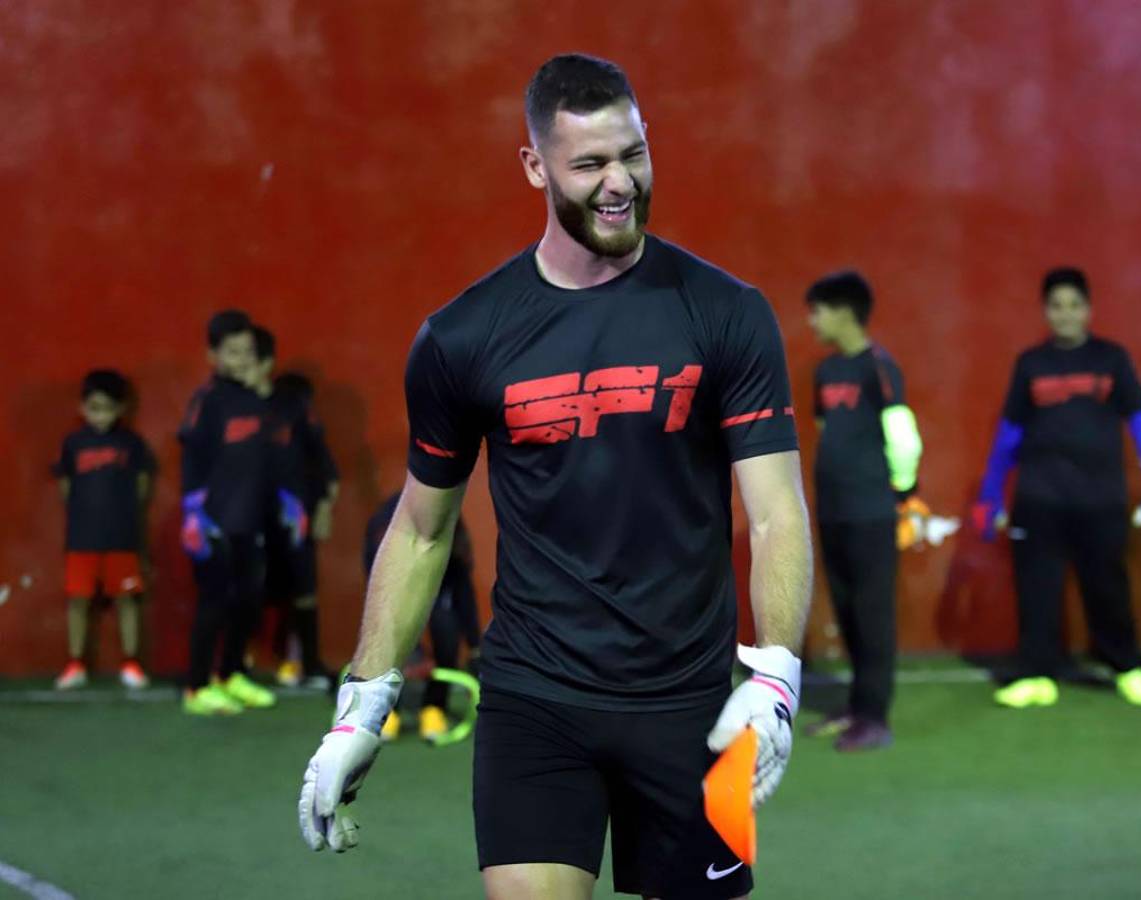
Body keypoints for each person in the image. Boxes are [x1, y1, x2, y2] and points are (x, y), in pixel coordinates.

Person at [299, 54, 812, 900]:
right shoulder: (463, 338)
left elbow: (776, 513)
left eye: (634, 155)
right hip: (534, 700)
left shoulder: (725, 312)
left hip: (690, 703)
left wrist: (777, 676)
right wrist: (364, 701)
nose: (621, 184)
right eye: (590, 164)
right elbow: (422, 529)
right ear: (535, 167)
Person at [972, 267, 1141, 708]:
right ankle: (1037, 675)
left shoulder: (1112, 359)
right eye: (1056, 306)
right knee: (1037, 590)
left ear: (1088, 310)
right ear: (1046, 312)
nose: (1065, 314)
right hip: (1039, 498)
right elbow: (1009, 432)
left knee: (1108, 586)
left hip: (1100, 499)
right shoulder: (1030, 364)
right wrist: (990, 494)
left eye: (1074, 305)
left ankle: (1126, 667)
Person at [804, 271, 923, 752]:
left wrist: (903, 492)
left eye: (817, 310)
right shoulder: (826, 373)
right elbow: (825, 429)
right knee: (850, 612)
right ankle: (856, 705)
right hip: (834, 512)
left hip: (872, 513)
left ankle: (875, 716)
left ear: (844, 313)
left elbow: (903, 436)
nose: (812, 320)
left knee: (873, 616)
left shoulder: (880, 367)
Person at [178, 310, 302, 715]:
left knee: (248, 600)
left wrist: (286, 501)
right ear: (212, 355)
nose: (242, 359)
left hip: (251, 519)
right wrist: (193, 513)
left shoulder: (256, 401)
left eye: (248, 351)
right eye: (232, 352)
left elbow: (266, 458)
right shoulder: (208, 402)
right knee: (214, 601)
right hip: (214, 521)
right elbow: (192, 458)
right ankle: (197, 688)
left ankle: (231, 674)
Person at [249, 327, 339, 690]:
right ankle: (241, 666)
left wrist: (323, 509)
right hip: (248, 519)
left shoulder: (292, 409)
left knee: (303, 589)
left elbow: (323, 463)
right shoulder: (227, 408)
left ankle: (310, 663)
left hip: (292, 518)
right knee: (248, 590)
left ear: (266, 364)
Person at [52, 369, 154, 690]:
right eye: (94, 408)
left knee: (127, 599)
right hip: (82, 539)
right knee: (78, 600)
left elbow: (142, 486)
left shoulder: (131, 444)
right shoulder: (73, 443)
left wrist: (121, 517)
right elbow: (66, 487)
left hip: (121, 538)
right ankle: (76, 663)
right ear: (83, 408)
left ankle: (131, 663)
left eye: (108, 408)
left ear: (121, 409)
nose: (100, 416)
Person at [363, 492, 480, 741]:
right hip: (393, 584)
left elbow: (462, 590)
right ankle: (387, 710)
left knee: (446, 624)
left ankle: (434, 707)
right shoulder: (385, 528)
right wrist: (413, 651)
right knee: (390, 629)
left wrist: (475, 647)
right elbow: (380, 598)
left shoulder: (453, 527)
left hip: (435, 586)